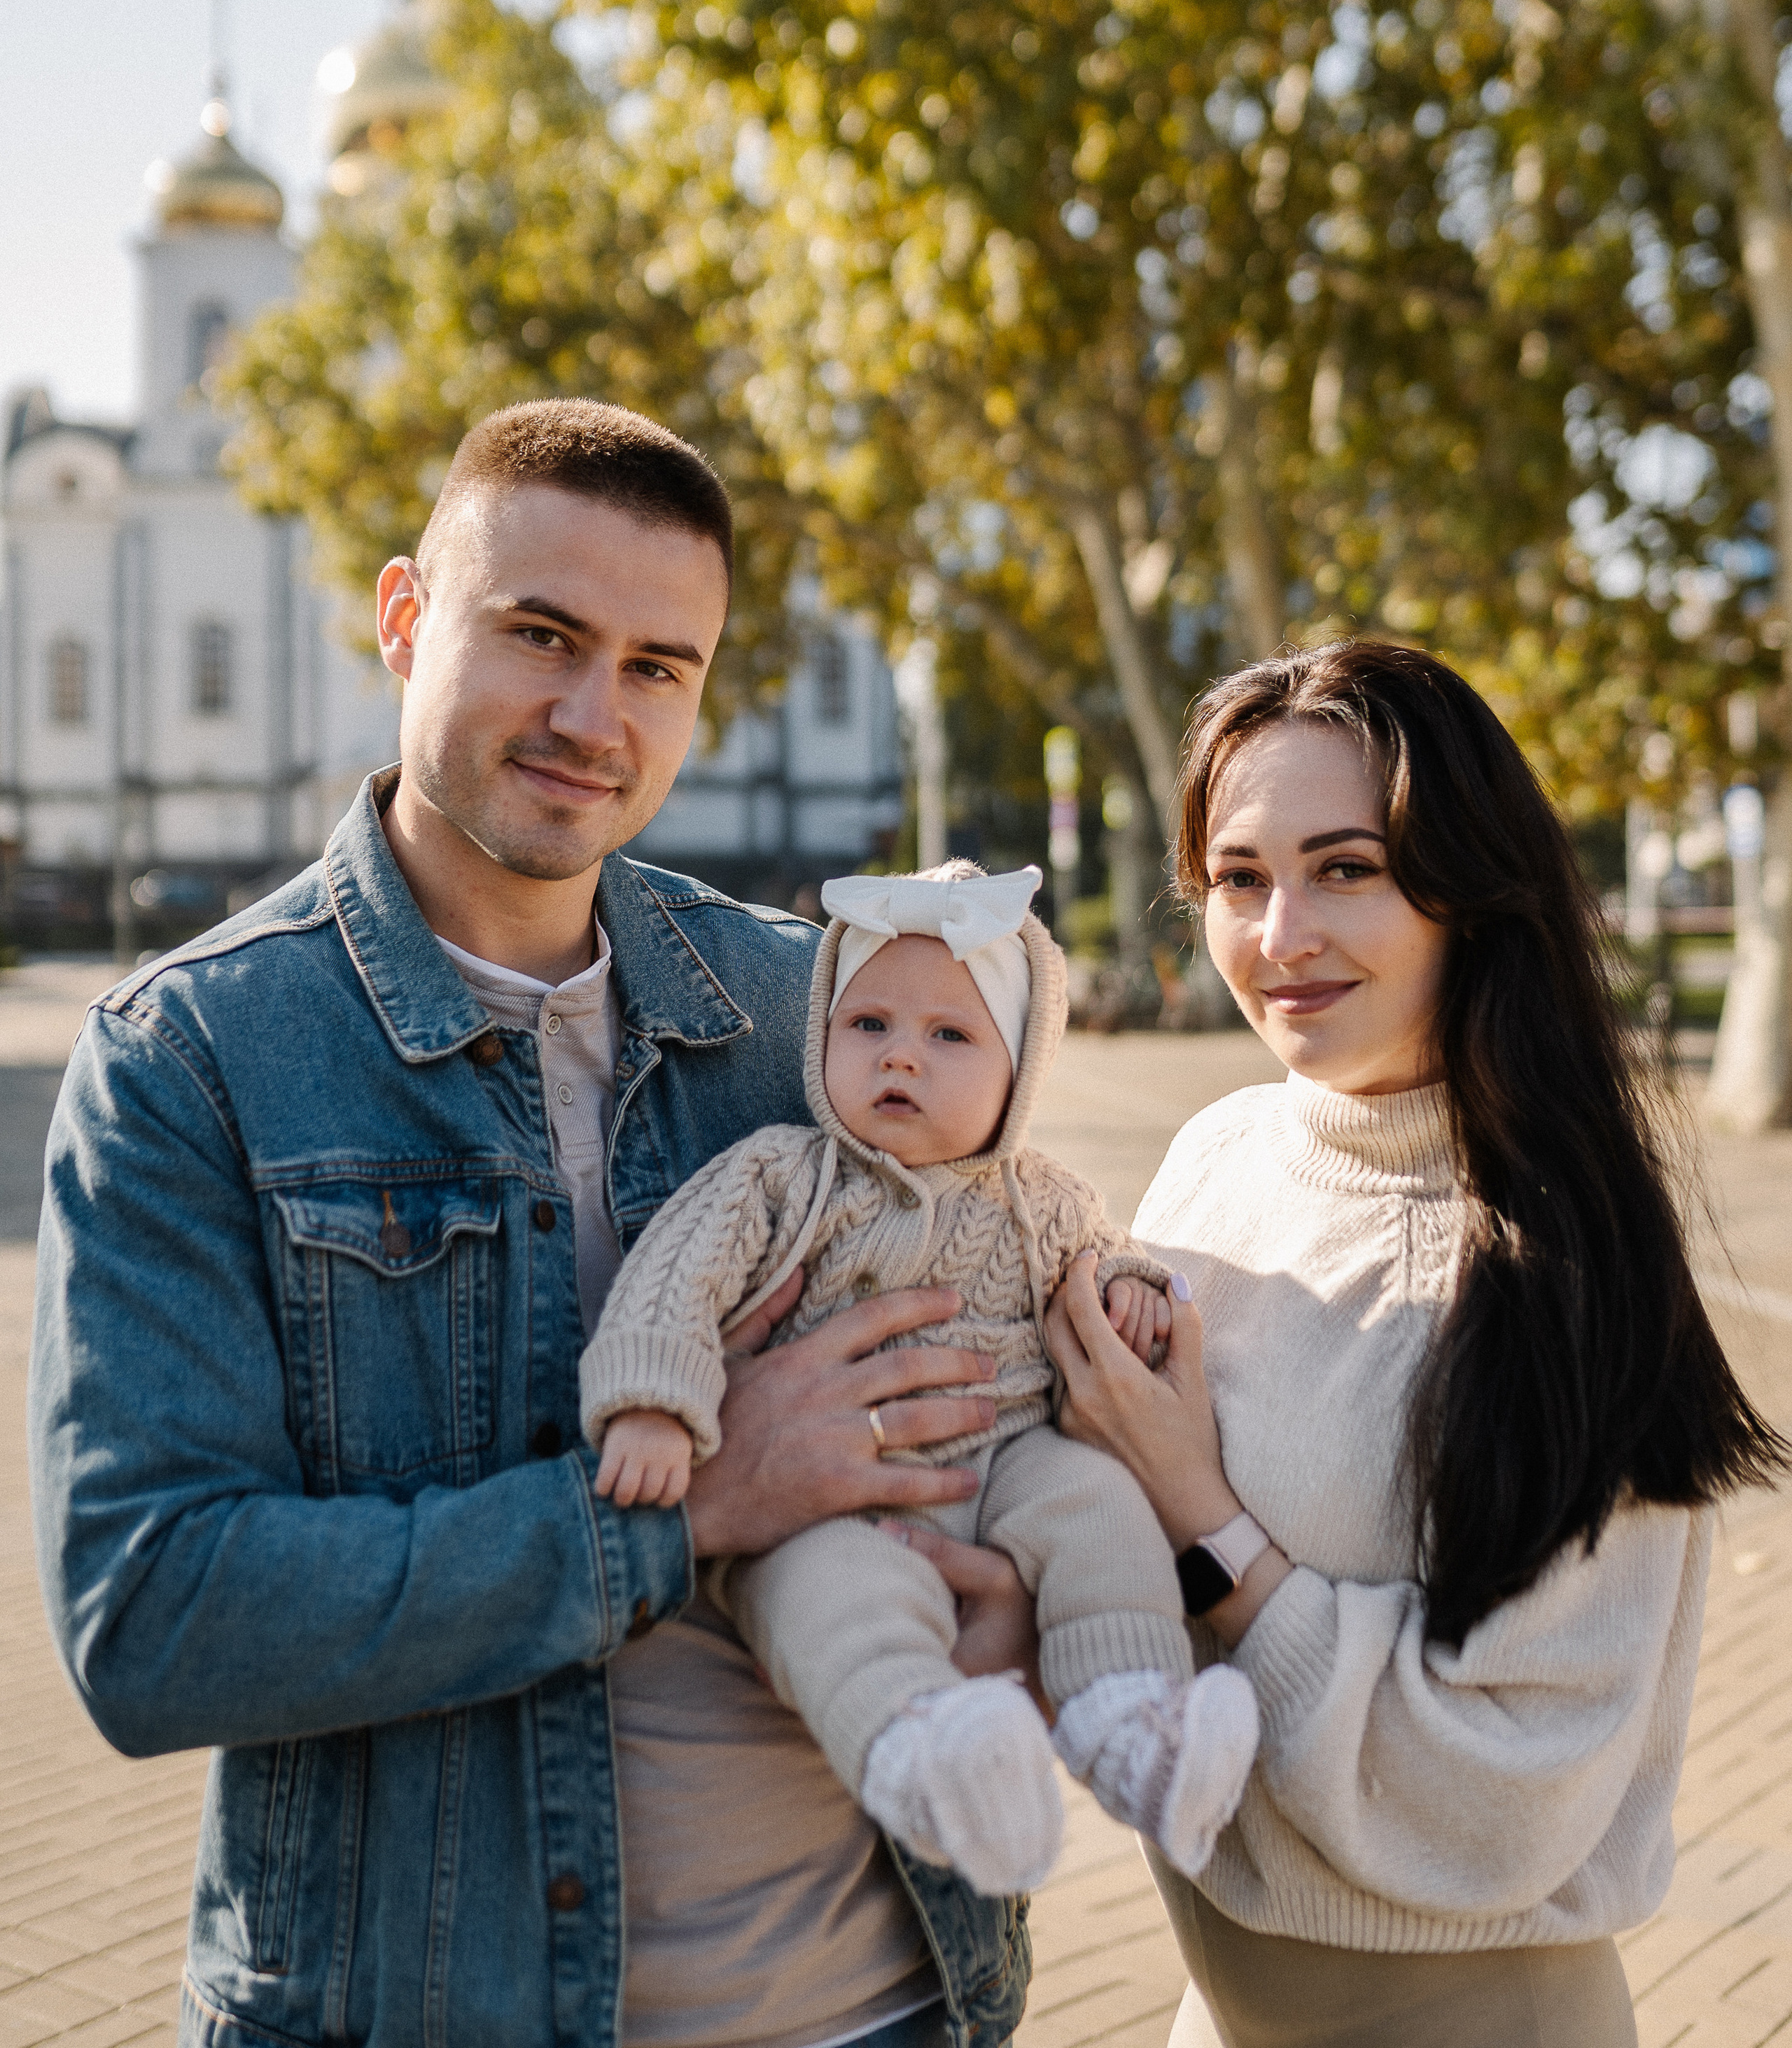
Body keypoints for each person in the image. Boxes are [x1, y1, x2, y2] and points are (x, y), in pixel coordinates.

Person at [29, 399, 1037, 2048]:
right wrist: (674, 1509)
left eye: (658, 666)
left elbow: (989, 1366)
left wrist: (1021, 1586)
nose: (592, 714)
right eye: (542, 635)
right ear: (406, 617)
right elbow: (153, 1614)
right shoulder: (194, 1060)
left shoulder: (805, 1010)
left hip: (889, 2005)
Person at [1045, 640, 1786, 2048]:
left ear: (1466, 893)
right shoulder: (1214, 1158)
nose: (1278, 937)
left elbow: (1502, 1795)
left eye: (1345, 869)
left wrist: (1196, 1510)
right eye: (1239, 878)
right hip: (1209, 2010)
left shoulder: (1570, 1267)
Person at [582, 862, 1259, 1895]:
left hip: (1014, 1462)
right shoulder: (779, 1175)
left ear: (1020, 1071)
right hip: (825, 1502)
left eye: (951, 1037)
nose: (902, 1055)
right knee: (825, 1593)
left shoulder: (1044, 1197)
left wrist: (1134, 1295)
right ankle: (927, 1745)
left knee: (1101, 1507)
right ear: (820, 1040)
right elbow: (674, 1276)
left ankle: (1133, 1717)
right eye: (870, 1027)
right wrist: (652, 1405)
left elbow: (1112, 1261)